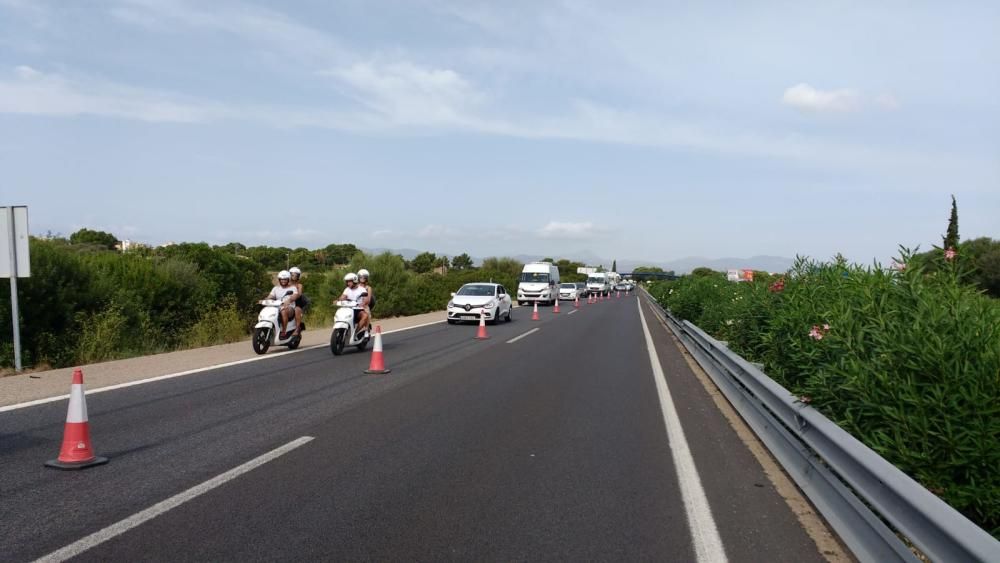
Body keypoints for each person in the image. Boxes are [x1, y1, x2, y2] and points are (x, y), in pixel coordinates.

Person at [266, 270, 299, 339]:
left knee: (284, 310)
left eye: (285, 279)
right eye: (281, 279)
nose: (283, 281)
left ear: (288, 280)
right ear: (279, 280)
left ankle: (284, 331)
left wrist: (289, 300)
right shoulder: (275, 288)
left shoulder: (292, 288)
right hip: (277, 307)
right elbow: (270, 296)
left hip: (289, 308)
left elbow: (295, 295)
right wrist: (265, 300)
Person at [289, 266, 309, 334]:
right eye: (292, 274)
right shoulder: (285, 284)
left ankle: (297, 328)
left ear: (298, 276)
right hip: (286, 302)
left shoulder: (299, 285)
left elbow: (299, 293)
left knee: (297, 310)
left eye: (296, 275)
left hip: (296, 303)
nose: (294, 276)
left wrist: (294, 296)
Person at [356, 269, 374, 335]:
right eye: (361, 276)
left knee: (367, 312)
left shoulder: (368, 288)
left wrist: (364, 303)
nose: (362, 278)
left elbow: (368, 299)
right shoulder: (356, 286)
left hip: (364, 305)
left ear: (367, 278)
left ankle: (366, 330)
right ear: (358, 277)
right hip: (354, 305)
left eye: (364, 277)